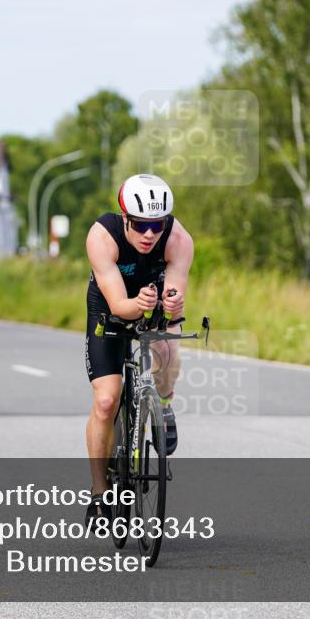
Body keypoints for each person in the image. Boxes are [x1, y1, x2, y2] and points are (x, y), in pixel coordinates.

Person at [83, 174, 193, 522]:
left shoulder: (178, 239)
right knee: (106, 401)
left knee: (169, 347)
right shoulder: (103, 237)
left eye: (156, 225)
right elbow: (118, 305)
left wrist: (170, 305)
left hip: (152, 301)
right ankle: (100, 493)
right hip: (111, 308)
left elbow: (174, 294)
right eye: (141, 225)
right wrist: (139, 303)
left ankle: (164, 404)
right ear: (126, 217)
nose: (149, 235)